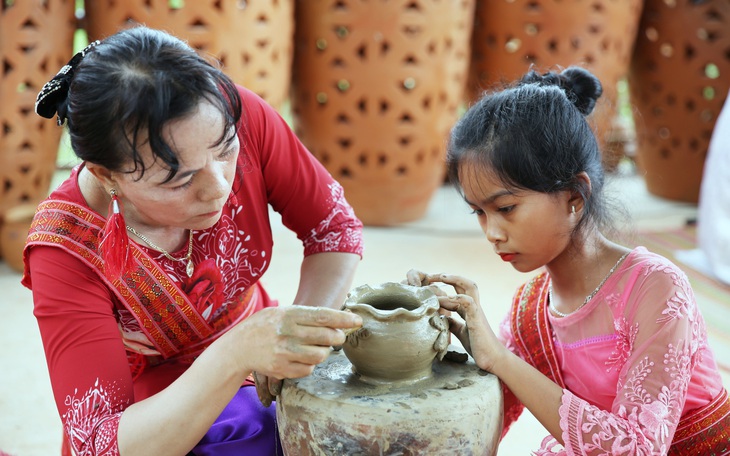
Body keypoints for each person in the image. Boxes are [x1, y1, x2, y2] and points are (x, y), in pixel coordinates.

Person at [23, 26, 364, 456]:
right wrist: (236, 353)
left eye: (226, 151)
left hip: (261, 357)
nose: (218, 187)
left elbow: (333, 227)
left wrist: (299, 340)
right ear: (106, 175)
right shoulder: (64, 249)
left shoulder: (231, 119)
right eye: (179, 178)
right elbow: (99, 443)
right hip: (153, 415)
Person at [407, 67, 729, 455]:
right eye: (478, 212)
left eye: (506, 208)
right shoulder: (531, 311)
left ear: (575, 197)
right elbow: (479, 425)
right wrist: (435, 344)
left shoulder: (656, 290)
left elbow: (638, 450)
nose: (492, 232)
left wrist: (500, 359)